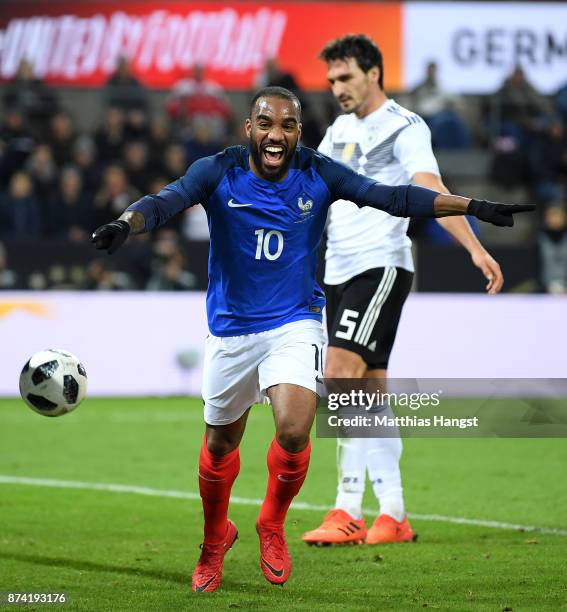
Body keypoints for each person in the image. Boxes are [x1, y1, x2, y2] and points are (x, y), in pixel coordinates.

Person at [91, 86, 531, 592]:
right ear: (249, 129)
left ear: (300, 131)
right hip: (230, 330)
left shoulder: (317, 172)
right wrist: (129, 222)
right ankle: (215, 540)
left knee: (296, 430)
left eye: (288, 126)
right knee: (218, 446)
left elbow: (392, 197)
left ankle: (271, 523)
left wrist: (471, 205)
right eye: (266, 124)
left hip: (295, 322)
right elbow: (168, 200)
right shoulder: (219, 170)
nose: (276, 134)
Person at [302, 34, 505, 547]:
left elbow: (430, 189)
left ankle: (347, 508)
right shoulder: (339, 130)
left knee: (340, 377)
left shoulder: (405, 126)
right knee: (368, 390)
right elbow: (314, 193)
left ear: (373, 72)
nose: (336, 88)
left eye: (345, 76)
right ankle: (392, 513)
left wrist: (473, 247)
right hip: (338, 269)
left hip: (381, 266)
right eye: (331, 80)